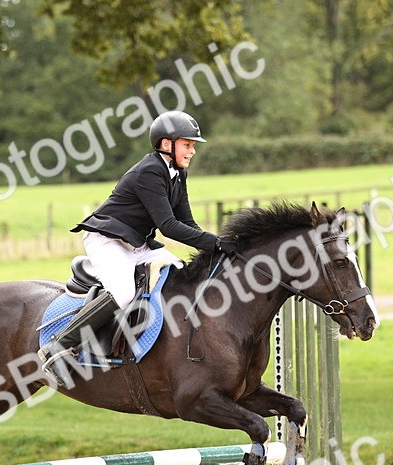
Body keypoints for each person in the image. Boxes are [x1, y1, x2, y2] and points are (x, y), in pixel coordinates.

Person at [37, 110, 240, 372]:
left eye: (192, 146)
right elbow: (169, 226)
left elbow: (187, 223)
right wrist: (215, 243)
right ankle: (59, 346)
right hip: (107, 239)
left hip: (138, 243)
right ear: (167, 144)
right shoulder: (150, 172)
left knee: (179, 271)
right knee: (123, 293)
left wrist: (215, 246)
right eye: (187, 145)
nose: (192, 151)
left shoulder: (178, 174)